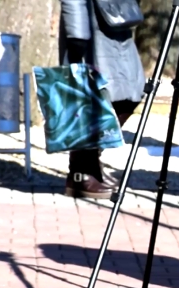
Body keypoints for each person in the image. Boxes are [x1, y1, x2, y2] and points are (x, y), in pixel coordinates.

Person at [59, 0, 145, 199]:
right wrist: (77, 35)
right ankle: (81, 172)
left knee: (131, 93)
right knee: (90, 99)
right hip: (90, 28)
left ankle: (90, 162)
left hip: (117, 20)